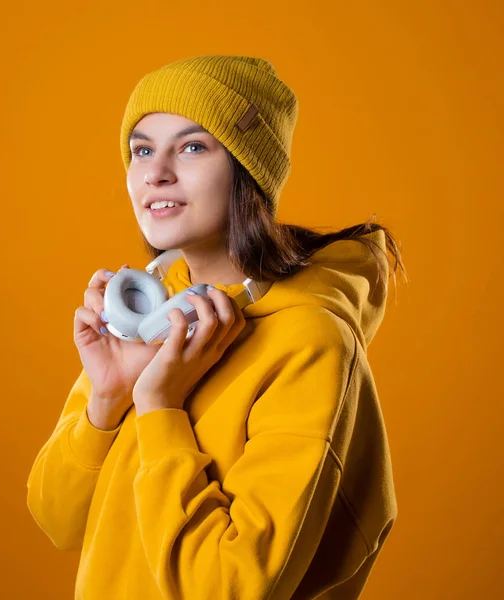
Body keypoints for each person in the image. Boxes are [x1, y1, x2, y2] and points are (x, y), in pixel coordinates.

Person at [26, 54, 407, 599]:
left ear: (248, 170)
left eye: (192, 146)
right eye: (141, 149)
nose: (156, 171)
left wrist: (160, 407)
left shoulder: (310, 342)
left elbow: (226, 587)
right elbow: (56, 517)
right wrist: (109, 397)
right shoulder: (149, 314)